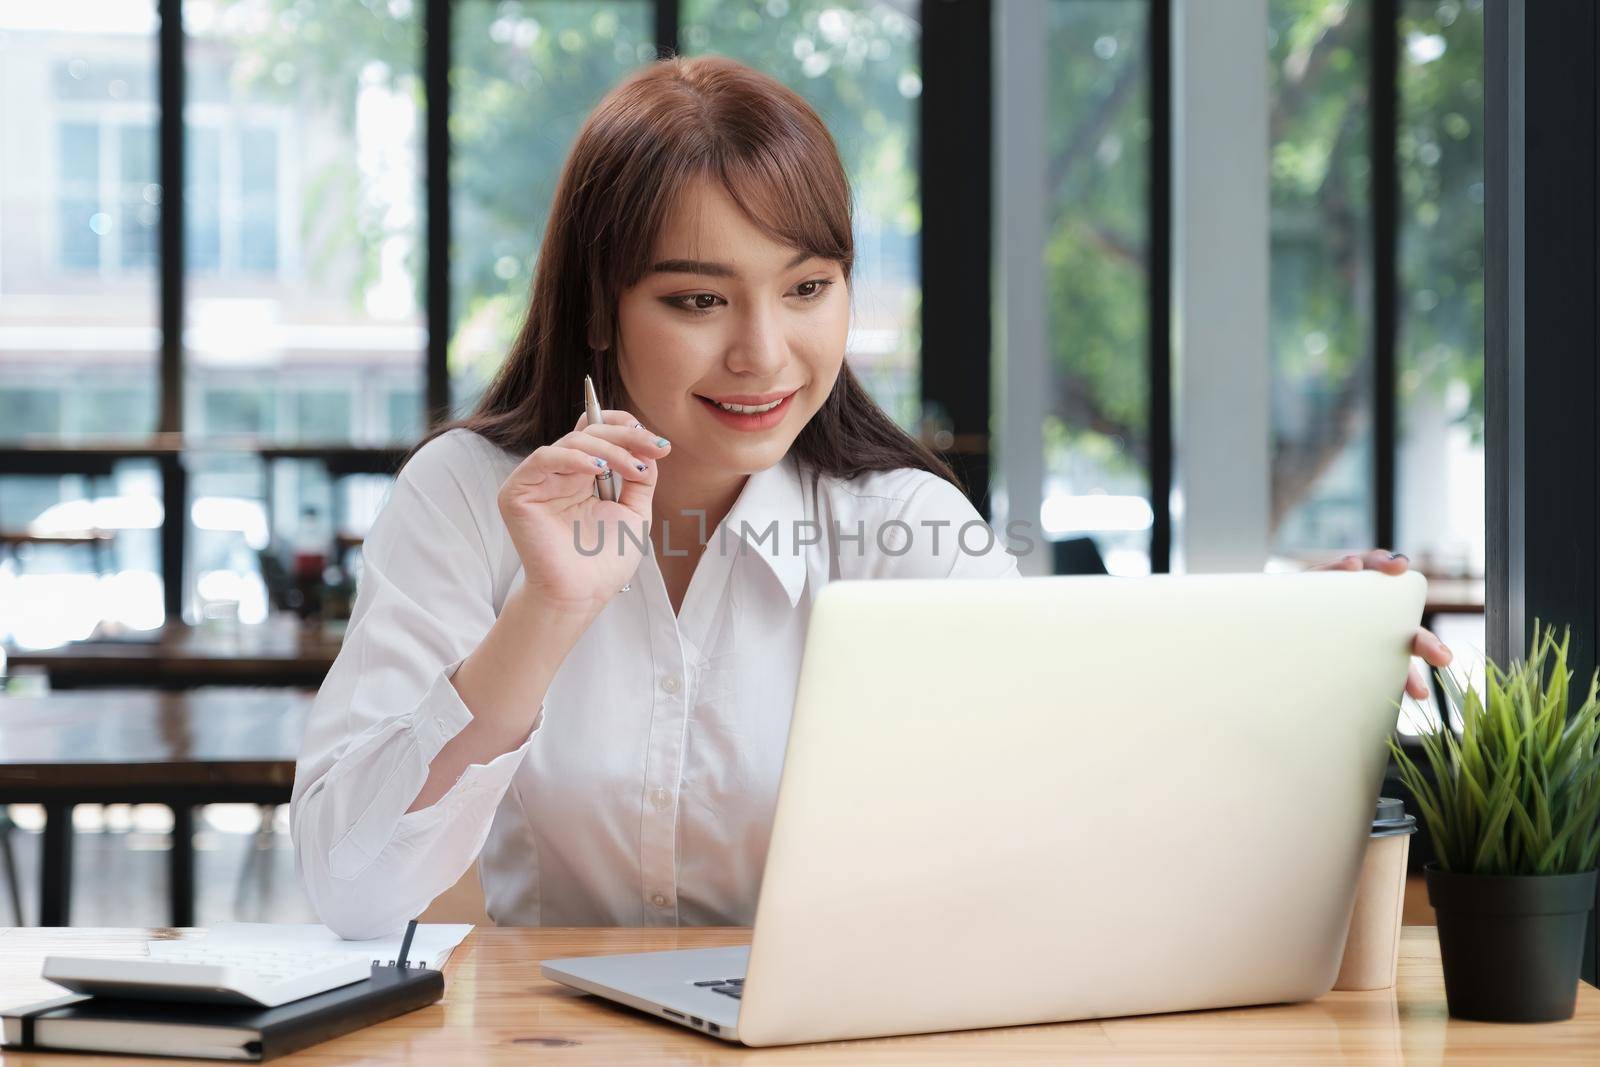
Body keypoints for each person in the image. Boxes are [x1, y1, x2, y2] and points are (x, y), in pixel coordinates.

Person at [290, 55, 1451, 939]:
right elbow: (350, 888)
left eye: (807, 287)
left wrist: (1285, 662)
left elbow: (1072, 774)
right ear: (601, 307)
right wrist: (544, 613)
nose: (765, 352)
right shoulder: (464, 496)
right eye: (699, 300)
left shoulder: (903, 525)